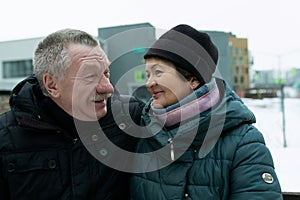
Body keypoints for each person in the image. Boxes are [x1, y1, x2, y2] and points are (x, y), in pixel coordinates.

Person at [130, 24, 283, 199]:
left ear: (193, 80)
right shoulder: (143, 130)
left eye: (158, 72)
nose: (149, 83)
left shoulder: (244, 143)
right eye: (148, 74)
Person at [0, 28, 144, 199]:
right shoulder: (5, 139)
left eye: (106, 73)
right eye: (90, 76)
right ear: (52, 85)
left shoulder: (130, 116)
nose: (108, 87)